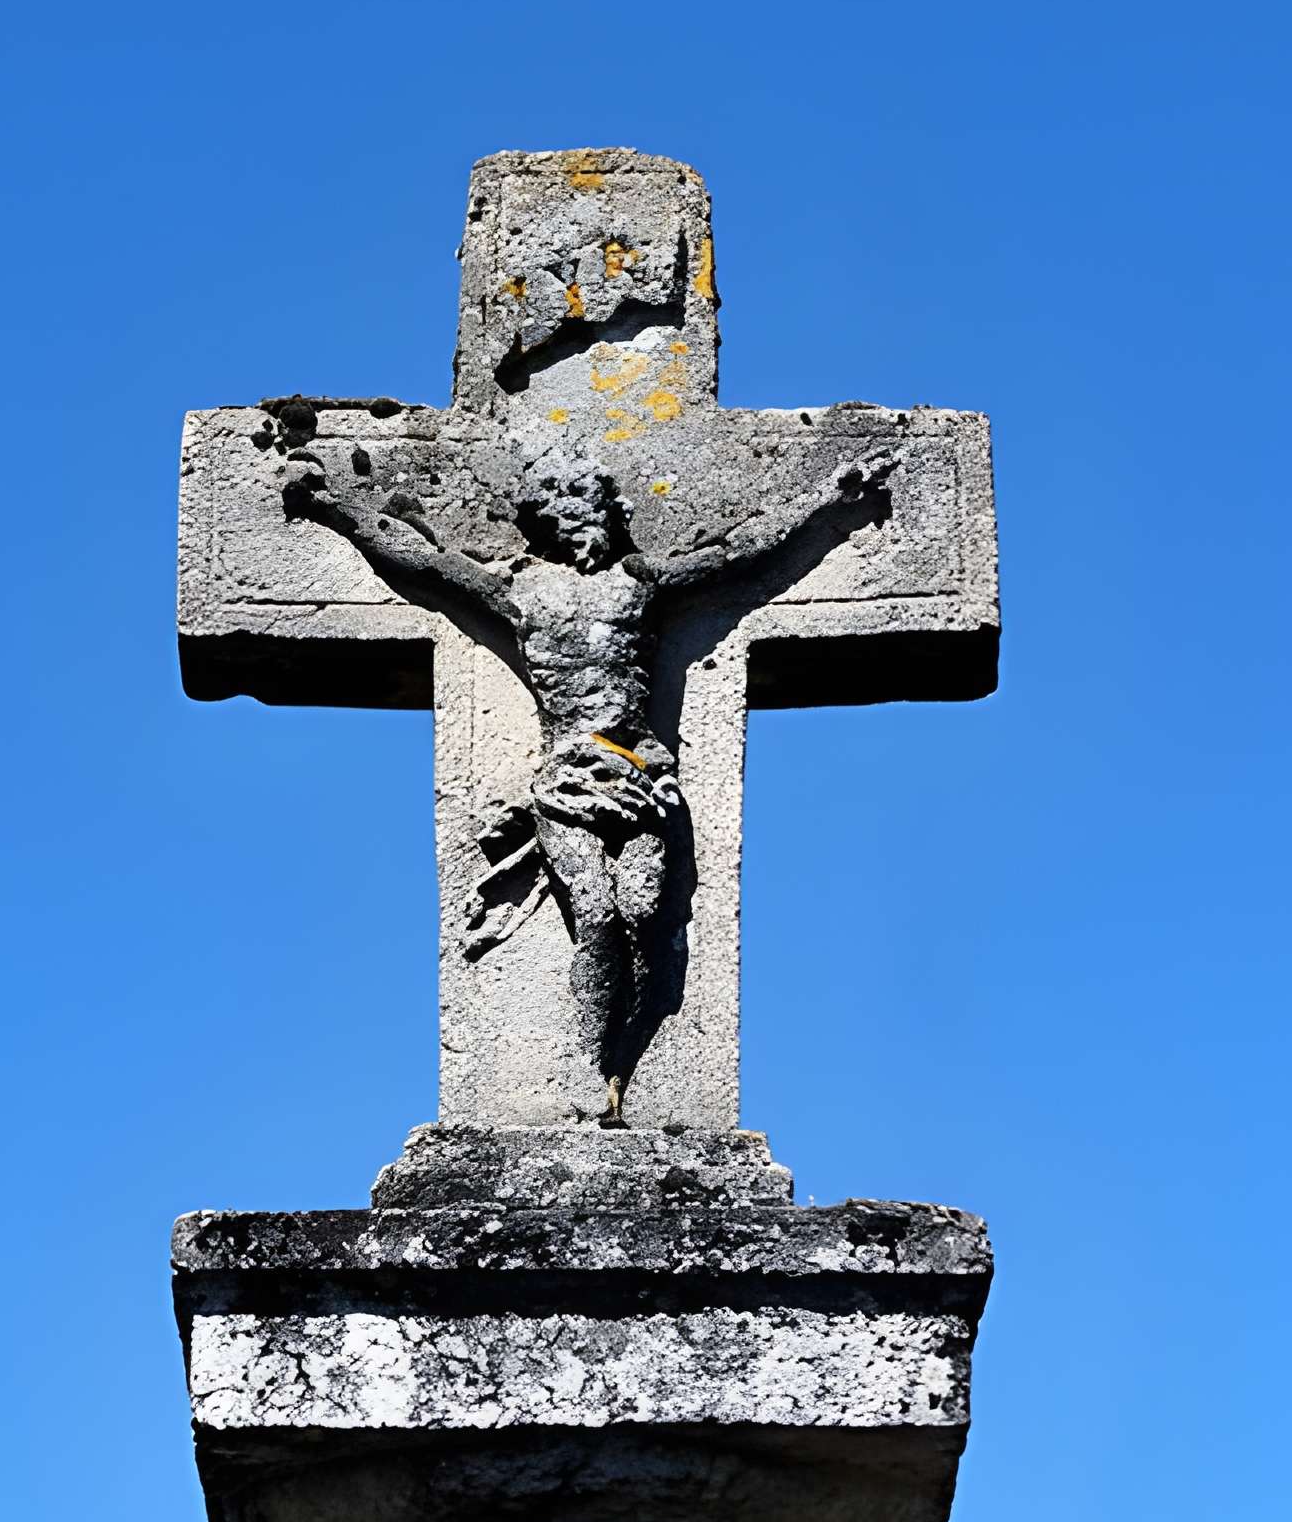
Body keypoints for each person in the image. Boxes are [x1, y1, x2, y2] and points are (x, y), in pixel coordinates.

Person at [289, 443, 895, 1119]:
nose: (592, 520)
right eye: (573, 507)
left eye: (599, 506)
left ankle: (628, 1055)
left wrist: (823, 501)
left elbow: (735, 555)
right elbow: (425, 562)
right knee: (598, 917)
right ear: (544, 518)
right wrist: (334, 508)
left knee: (643, 913)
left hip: (640, 778)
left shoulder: (639, 584)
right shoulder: (518, 589)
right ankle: (591, 1065)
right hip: (568, 785)